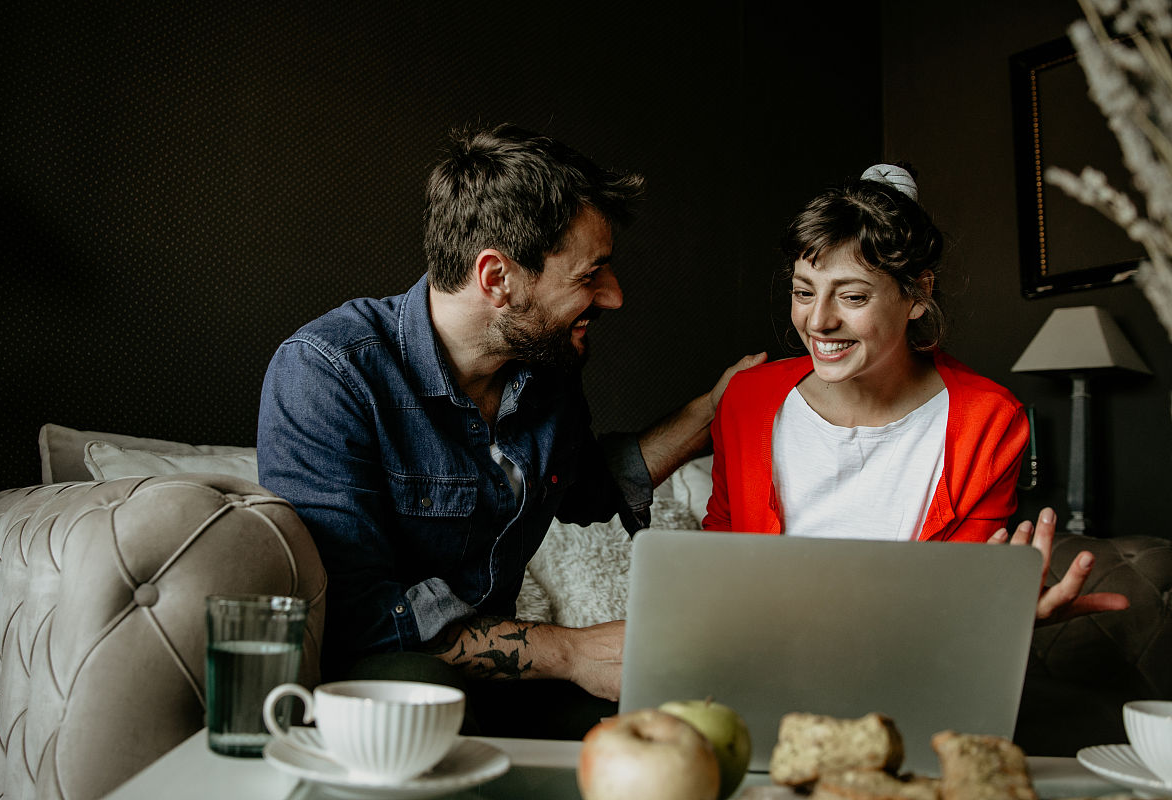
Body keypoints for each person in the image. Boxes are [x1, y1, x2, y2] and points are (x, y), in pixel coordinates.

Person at [257, 123, 764, 733]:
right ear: (497, 278)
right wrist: (572, 652)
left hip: (500, 680)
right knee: (425, 693)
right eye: (589, 275)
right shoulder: (327, 372)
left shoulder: (543, 367)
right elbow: (357, 617)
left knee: (659, 716)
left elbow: (589, 487)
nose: (614, 297)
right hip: (377, 688)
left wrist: (713, 408)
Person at [704, 164, 1128, 622]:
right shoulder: (747, 399)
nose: (818, 321)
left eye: (852, 297)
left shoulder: (990, 421)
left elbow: (958, 599)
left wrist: (1003, 615)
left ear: (918, 294)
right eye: (804, 293)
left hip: (902, 671)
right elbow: (721, 558)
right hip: (756, 667)